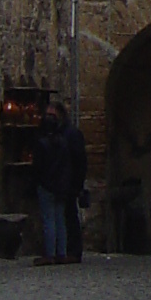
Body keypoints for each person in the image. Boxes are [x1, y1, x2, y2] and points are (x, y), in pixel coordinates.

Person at [33, 99, 69, 265]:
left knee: (49, 219)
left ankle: (50, 253)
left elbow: (39, 166)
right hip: (60, 184)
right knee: (59, 218)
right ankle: (61, 252)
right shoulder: (62, 142)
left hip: (47, 184)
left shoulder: (42, 144)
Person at [62, 106, 88, 266]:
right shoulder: (67, 133)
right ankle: (69, 249)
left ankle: (73, 250)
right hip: (67, 181)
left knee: (70, 216)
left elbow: (79, 161)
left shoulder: (71, 135)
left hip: (69, 182)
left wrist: (77, 183)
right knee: (68, 216)